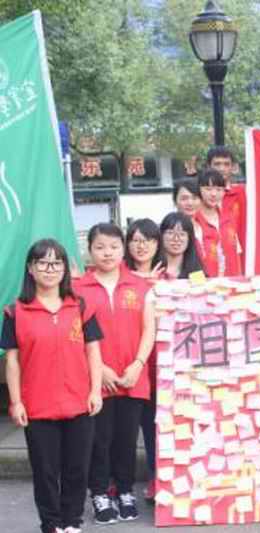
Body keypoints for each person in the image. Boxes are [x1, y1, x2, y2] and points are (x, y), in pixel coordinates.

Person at [1, 239, 103, 533]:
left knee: (77, 468)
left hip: (79, 402)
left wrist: (95, 390)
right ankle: (51, 524)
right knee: (45, 471)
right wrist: (16, 401)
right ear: (30, 269)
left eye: (57, 263)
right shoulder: (15, 312)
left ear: (64, 269)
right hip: (38, 405)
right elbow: (12, 361)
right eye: (43, 263)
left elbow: (93, 351)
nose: (50, 269)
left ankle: (72, 522)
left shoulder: (80, 306)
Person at [74, 223, 156, 525]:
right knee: (99, 440)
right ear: (90, 250)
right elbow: (76, 335)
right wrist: (100, 369)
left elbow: (149, 329)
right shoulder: (78, 288)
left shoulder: (140, 285)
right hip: (96, 380)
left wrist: (138, 364)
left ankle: (124, 491)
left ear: (123, 249)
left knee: (126, 439)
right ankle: (99, 493)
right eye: (100, 247)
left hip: (133, 377)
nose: (107, 253)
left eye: (113, 247)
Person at [123, 219, 162, 504]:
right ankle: (116, 482)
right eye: (135, 240)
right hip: (127, 363)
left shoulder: (167, 279)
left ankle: (156, 479)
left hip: (160, 364)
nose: (141, 245)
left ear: (157, 244)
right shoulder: (118, 275)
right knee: (122, 430)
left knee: (154, 426)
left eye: (147, 240)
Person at [194, 168, 243, 277]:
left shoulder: (229, 218)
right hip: (205, 283)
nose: (213, 194)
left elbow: (236, 253)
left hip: (231, 281)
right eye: (208, 189)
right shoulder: (193, 221)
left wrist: (239, 278)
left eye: (219, 189)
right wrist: (199, 284)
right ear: (198, 189)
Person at [207, 146, 246, 255]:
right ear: (208, 166)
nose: (221, 168)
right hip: (209, 255)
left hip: (237, 256)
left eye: (226, 164)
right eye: (217, 164)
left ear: (233, 167)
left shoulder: (242, 193)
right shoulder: (198, 195)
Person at [160, 212, 207, 280]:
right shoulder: (153, 269)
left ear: (189, 239)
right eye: (170, 233)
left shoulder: (196, 270)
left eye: (182, 234)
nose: (176, 239)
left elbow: (200, 286)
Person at [172, 179, 205, 260]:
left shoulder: (207, 226)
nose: (190, 203)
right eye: (184, 199)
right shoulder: (170, 229)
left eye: (194, 198)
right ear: (175, 201)